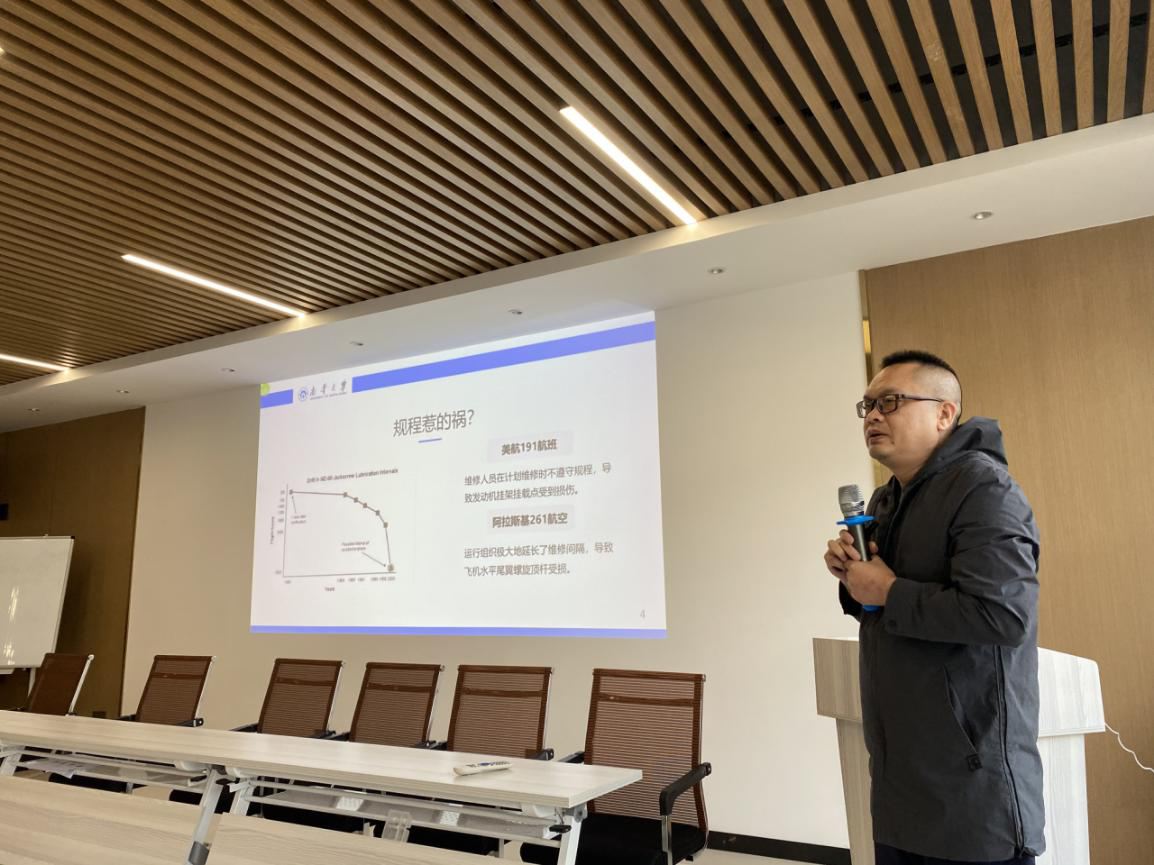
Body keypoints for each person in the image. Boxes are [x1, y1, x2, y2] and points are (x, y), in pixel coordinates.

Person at [824, 350, 1044, 865]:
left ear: (945, 414)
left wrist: (888, 590)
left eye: (891, 402)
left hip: (972, 791)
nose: (873, 416)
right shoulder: (885, 500)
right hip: (901, 779)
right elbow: (885, 608)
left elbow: (1004, 616)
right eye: (868, 405)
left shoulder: (984, 489)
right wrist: (852, 579)